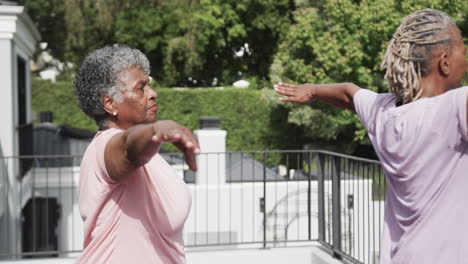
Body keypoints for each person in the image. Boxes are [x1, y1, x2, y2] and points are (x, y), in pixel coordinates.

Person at [275, 9, 467, 264]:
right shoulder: (453, 107)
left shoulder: (384, 112)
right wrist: (313, 91)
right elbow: (348, 92)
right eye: (463, 53)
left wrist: (312, 90)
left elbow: (348, 93)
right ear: (445, 62)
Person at [73, 44, 200, 263]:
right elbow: (128, 148)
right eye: (141, 88)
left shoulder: (152, 154)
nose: (153, 94)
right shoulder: (105, 146)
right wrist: (156, 129)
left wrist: (153, 134)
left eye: (149, 85)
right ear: (110, 103)